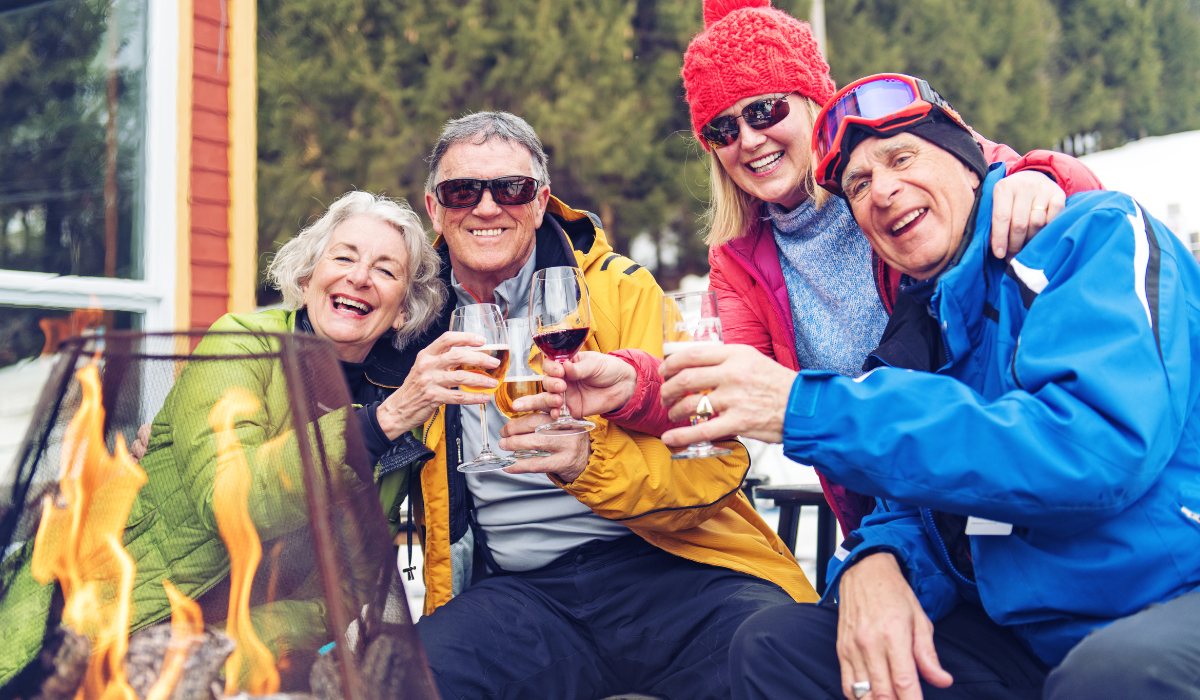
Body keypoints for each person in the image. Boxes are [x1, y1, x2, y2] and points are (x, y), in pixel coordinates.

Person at [651, 73, 1200, 700]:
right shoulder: (920, 319)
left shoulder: (1092, 238)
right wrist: (877, 560)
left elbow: (1092, 455)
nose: (882, 190)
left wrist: (804, 406)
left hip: (1166, 594)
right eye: (857, 185)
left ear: (969, 162)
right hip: (1022, 629)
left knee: (1111, 677)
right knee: (778, 648)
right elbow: (915, 497)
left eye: (902, 156)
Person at [600, 0, 1102, 537]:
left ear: (812, 100)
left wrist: (1042, 176)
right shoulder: (738, 256)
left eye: (765, 111)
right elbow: (727, 386)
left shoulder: (881, 166)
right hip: (881, 514)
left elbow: (1023, 178)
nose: (748, 140)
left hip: (991, 473)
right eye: (722, 130)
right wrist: (631, 383)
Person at [363, 110, 815, 700]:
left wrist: (586, 462)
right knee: (399, 682)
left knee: (782, 651)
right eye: (462, 190)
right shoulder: (411, 322)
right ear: (434, 207)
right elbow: (322, 351)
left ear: (541, 200)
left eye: (511, 189)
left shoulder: (621, 291)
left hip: (671, 568)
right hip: (526, 596)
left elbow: (713, 459)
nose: (486, 207)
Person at [0, 192, 454, 684]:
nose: (360, 277)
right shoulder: (241, 342)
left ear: (404, 311)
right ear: (307, 279)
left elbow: (347, 591)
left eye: (386, 271)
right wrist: (376, 427)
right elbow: (230, 503)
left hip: (211, 653)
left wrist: (224, 647)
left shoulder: (396, 411)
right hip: (90, 622)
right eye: (343, 257)